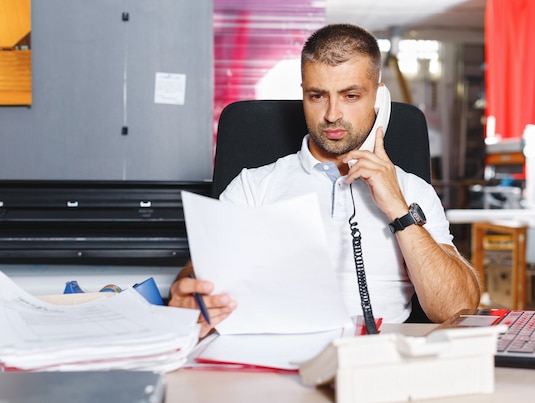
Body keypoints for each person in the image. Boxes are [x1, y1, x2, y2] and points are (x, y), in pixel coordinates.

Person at [168, 23, 480, 338]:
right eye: (317, 95)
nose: (332, 114)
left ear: (378, 98)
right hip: (273, 358)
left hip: (375, 361)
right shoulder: (254, 186)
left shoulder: (412, 192)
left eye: (351, 95)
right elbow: (202, 273)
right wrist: (190, 297)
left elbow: (456, 309)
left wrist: (398, 210)